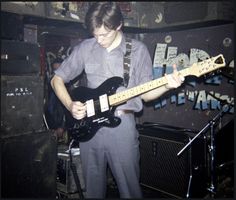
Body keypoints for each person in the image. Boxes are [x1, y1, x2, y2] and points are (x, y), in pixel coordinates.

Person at [51, 2, 184, 198]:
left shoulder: (137, 50)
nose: (99, 39)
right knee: (92, 192)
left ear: (119, 25)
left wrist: (166, 85)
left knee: (129, 190)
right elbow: (57, 79)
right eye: (95, 34)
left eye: (105, 34)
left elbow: (146, 94)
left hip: (122, 127)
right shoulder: (86, 47)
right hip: (89, 128)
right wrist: (70, 105)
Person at [45, 57, 67, 142]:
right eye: (55, 70)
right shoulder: (51, 84)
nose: (57, 73)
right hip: (53, 127)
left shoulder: (68, 86)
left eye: (59, 70)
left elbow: (66, 109)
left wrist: (62, 126)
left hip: (62, 128)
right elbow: (50, 108)